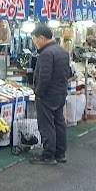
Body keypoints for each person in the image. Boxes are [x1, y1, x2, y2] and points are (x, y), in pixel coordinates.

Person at [30, 25, 71, 165]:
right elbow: (68, 73)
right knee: (59, 122)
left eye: (35, 39)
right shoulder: (63, 52)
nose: (35, 42)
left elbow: (44, 77)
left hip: (47, 95)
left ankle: (48, 155)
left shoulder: (46, 54)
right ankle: (60, 153)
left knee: (47, 125)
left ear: (42, 38)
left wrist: (39, 93)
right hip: (60, 93)